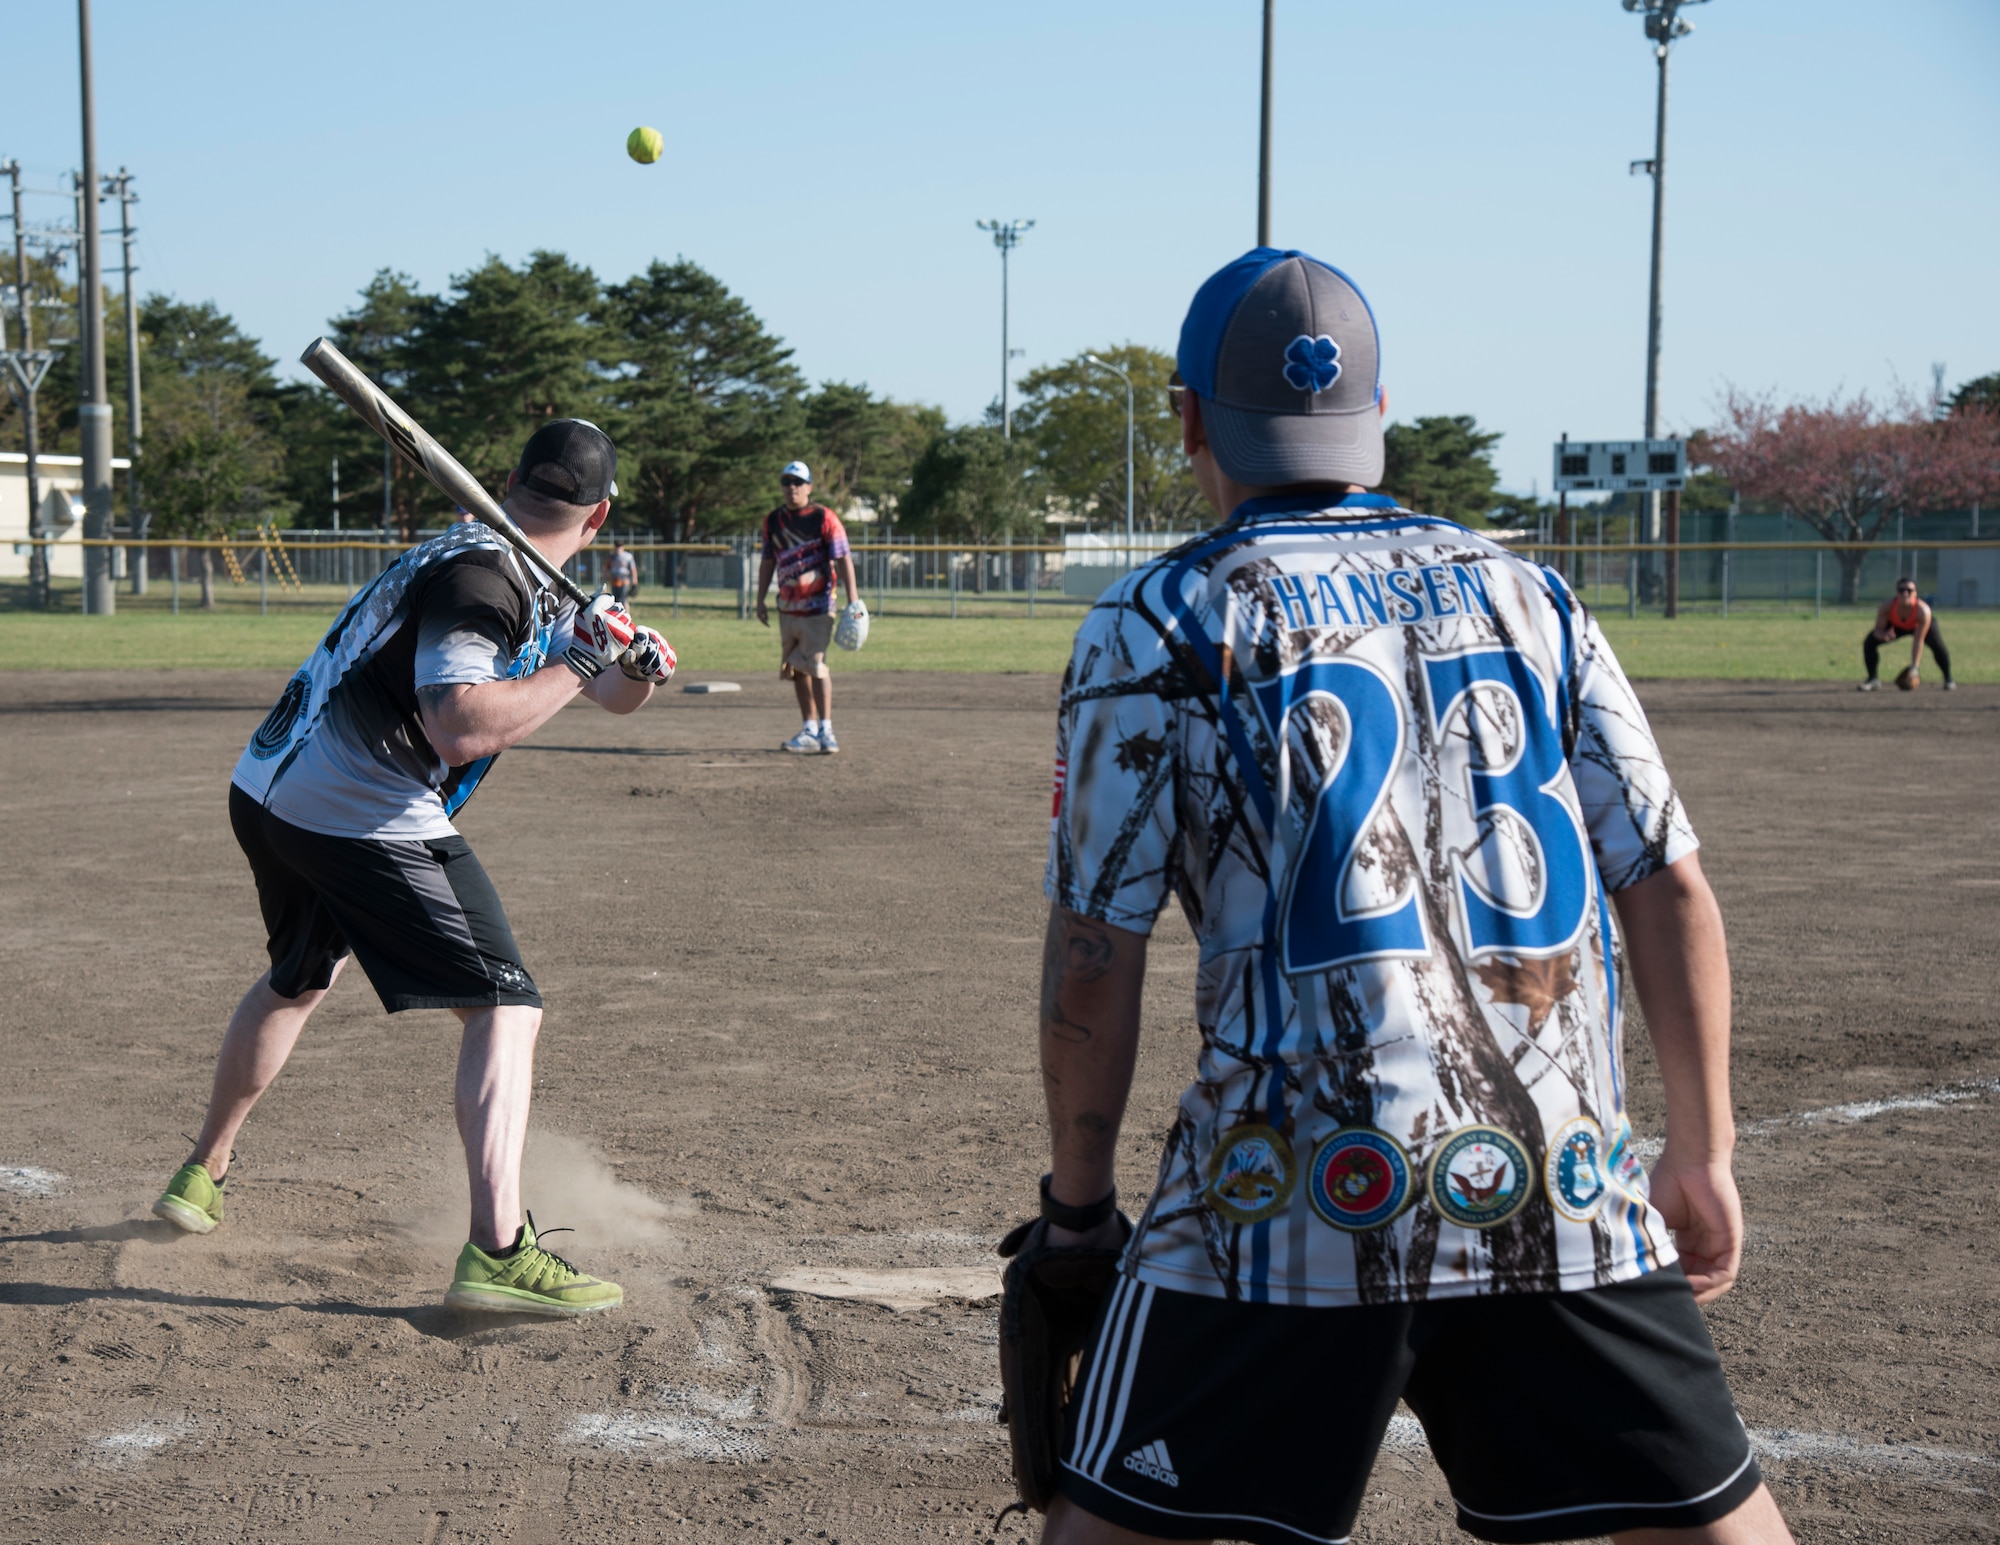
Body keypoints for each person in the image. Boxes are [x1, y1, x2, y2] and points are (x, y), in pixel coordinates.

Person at [1029, 250, 1793, 1544]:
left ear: (1189, 420)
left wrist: (1079, 1206)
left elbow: (1097, 950)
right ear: (1374, 417)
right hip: (1557, 1180)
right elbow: (1667, 880)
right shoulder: (1533, 594)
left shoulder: (1160, 619)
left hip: (1287, 1192)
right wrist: (1702, 1148)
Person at [152, 420, 678, 1318]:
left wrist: (631, 664)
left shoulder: (491, 561)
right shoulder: (486, 579)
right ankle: (499, 1248)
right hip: (357, 806)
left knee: (299, 976)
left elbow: (607, 695)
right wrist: (585, 654)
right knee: (507, 1003)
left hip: (268, 788)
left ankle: (202, 1172)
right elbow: (460, 722)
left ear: (512, 481)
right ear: (598, 520)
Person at [754, 460, 860, 754]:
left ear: (809, 487)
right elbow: (767, 561)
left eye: (798, 483)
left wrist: (854, 600)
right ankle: (809, 729)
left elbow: (843, 558)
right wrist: (760, 599)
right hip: (787, 607)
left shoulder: (824, 517)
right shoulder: (773, 520)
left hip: (818, 606)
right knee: (795, 668)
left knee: (815, 665)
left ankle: (827, 729)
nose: (791, 488)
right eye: (786, 482)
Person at [1859, 577, 1954, 690]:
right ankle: (1873, 679)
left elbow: (1918, 640)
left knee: (1938, 647)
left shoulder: (1923, 610)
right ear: (1897, 593)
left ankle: (1948, 679)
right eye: (1901, 590)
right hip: (1896, 626)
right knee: (1869, 642)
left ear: (1915, 593)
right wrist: (1883, 635)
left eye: (1909, 590)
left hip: (1918, 625)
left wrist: (1914, 667)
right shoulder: (1887, 606)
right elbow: (1878, 630)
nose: (1905, 593)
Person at [607, 539, 639, 611]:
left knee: (623, 599)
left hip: (624, 580)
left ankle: (627, 616)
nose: (618, 548)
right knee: (615, 600)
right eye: (617, 546)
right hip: (614, 580)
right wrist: (604, 579)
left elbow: (633, 569)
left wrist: (635, 582)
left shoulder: (628, 556)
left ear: (623, 547)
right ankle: (617, 617)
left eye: (620, 546)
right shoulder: (611, 557)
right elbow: (606, 568)